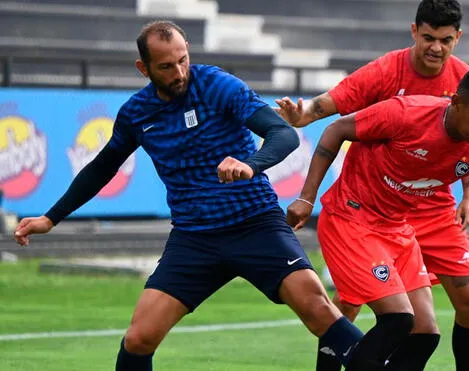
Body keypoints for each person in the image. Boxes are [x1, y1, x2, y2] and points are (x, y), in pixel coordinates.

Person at [13, 21, 386, 371]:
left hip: (255, 222)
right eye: (166, 67)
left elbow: (283, 135)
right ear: (143, 69)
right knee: (139, 338)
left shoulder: (217, 85)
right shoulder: (136, 114)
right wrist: (52, 217)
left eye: (182, 60)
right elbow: (102, 167)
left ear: (188, 50)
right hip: (195, 238)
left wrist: (250, 165)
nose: (178, 73)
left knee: (319, 309)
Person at [276, 1, 469, 370]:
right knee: (350, 304)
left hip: (433, 207)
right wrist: (304, 114)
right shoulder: (386, 71)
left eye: (444, 40)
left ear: (458, 38)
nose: (435, 48)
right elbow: (332, 103)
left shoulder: (465, 82)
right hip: (373, 205)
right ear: (414, 32)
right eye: (428, 38)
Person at [287, 67, 469, 371]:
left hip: (397, 227)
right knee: (395, 319)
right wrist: (306, 197)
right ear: (456, 102)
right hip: (351, 218)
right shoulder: (406, 114)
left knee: (424, 334)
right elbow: (336, 129)